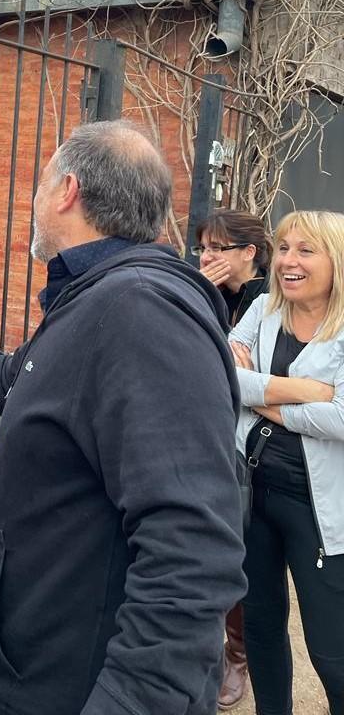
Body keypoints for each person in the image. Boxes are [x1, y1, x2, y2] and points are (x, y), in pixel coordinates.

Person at [0, 120, 247, 714]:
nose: (35, 199)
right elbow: (10, 380)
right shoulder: (98, 298)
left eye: (41, 183)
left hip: (76, 690)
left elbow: (192, 554)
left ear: (67, 189)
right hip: (41, 676)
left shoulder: (138, 312)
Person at [230, 210, 344, 715]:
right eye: (283, 248)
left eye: (305, 250)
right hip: (253, 491)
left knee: (330, 649)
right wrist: (302, 393)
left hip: (317, 509)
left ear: (336, 261)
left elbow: (341, 418)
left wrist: (259, 399)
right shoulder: (263, 309)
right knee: (260, 624)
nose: (288, 261)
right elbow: (223, 378)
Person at [192, 208, 273, 710]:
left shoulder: (268, 300)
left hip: (252, 445)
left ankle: (237, 653)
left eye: (219, 248)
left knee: (242, 550)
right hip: (203, 431)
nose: (208, 257)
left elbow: (247, 379)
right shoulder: (202, 291)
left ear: (248, 253)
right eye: (203, 247)